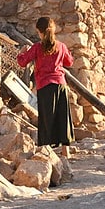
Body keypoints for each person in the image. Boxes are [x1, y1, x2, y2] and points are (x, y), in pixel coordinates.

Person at [17, 16, 75, 158]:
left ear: (39, 31)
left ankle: (46, 148)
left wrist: (21, 52)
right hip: (61, 84)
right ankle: (65, 150)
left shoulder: (37, 47)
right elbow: (70, 62)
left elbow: (22, 62)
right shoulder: (61, 46)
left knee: (46, 117)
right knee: (63, 116)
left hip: (45, 85)